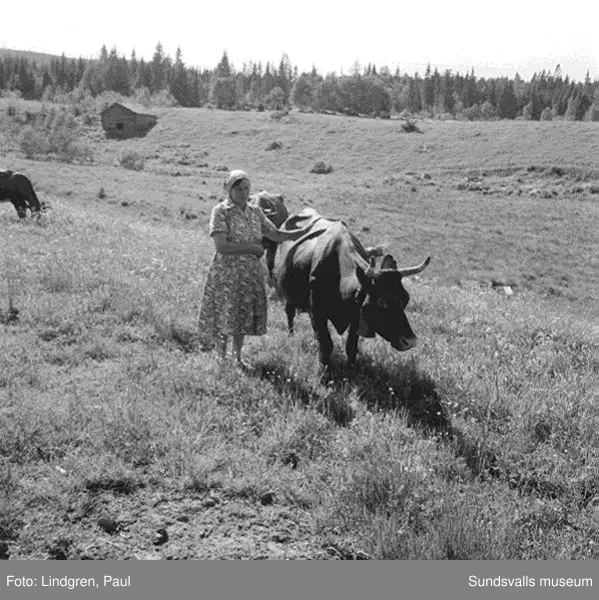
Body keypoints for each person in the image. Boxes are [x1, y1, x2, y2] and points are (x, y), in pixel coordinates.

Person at [198, 169, 306, 367]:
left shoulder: (255, 212)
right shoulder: (221, 211)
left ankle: (237, 358)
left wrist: (301, 233)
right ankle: (221, 358)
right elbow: (221, 246)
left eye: (247, 188)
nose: (243, 192)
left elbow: (275, 235)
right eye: (238, 188)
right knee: (225, 313)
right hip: (227, 272)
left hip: (249, 273)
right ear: (229, 190)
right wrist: (252, 248)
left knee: (242, 315)